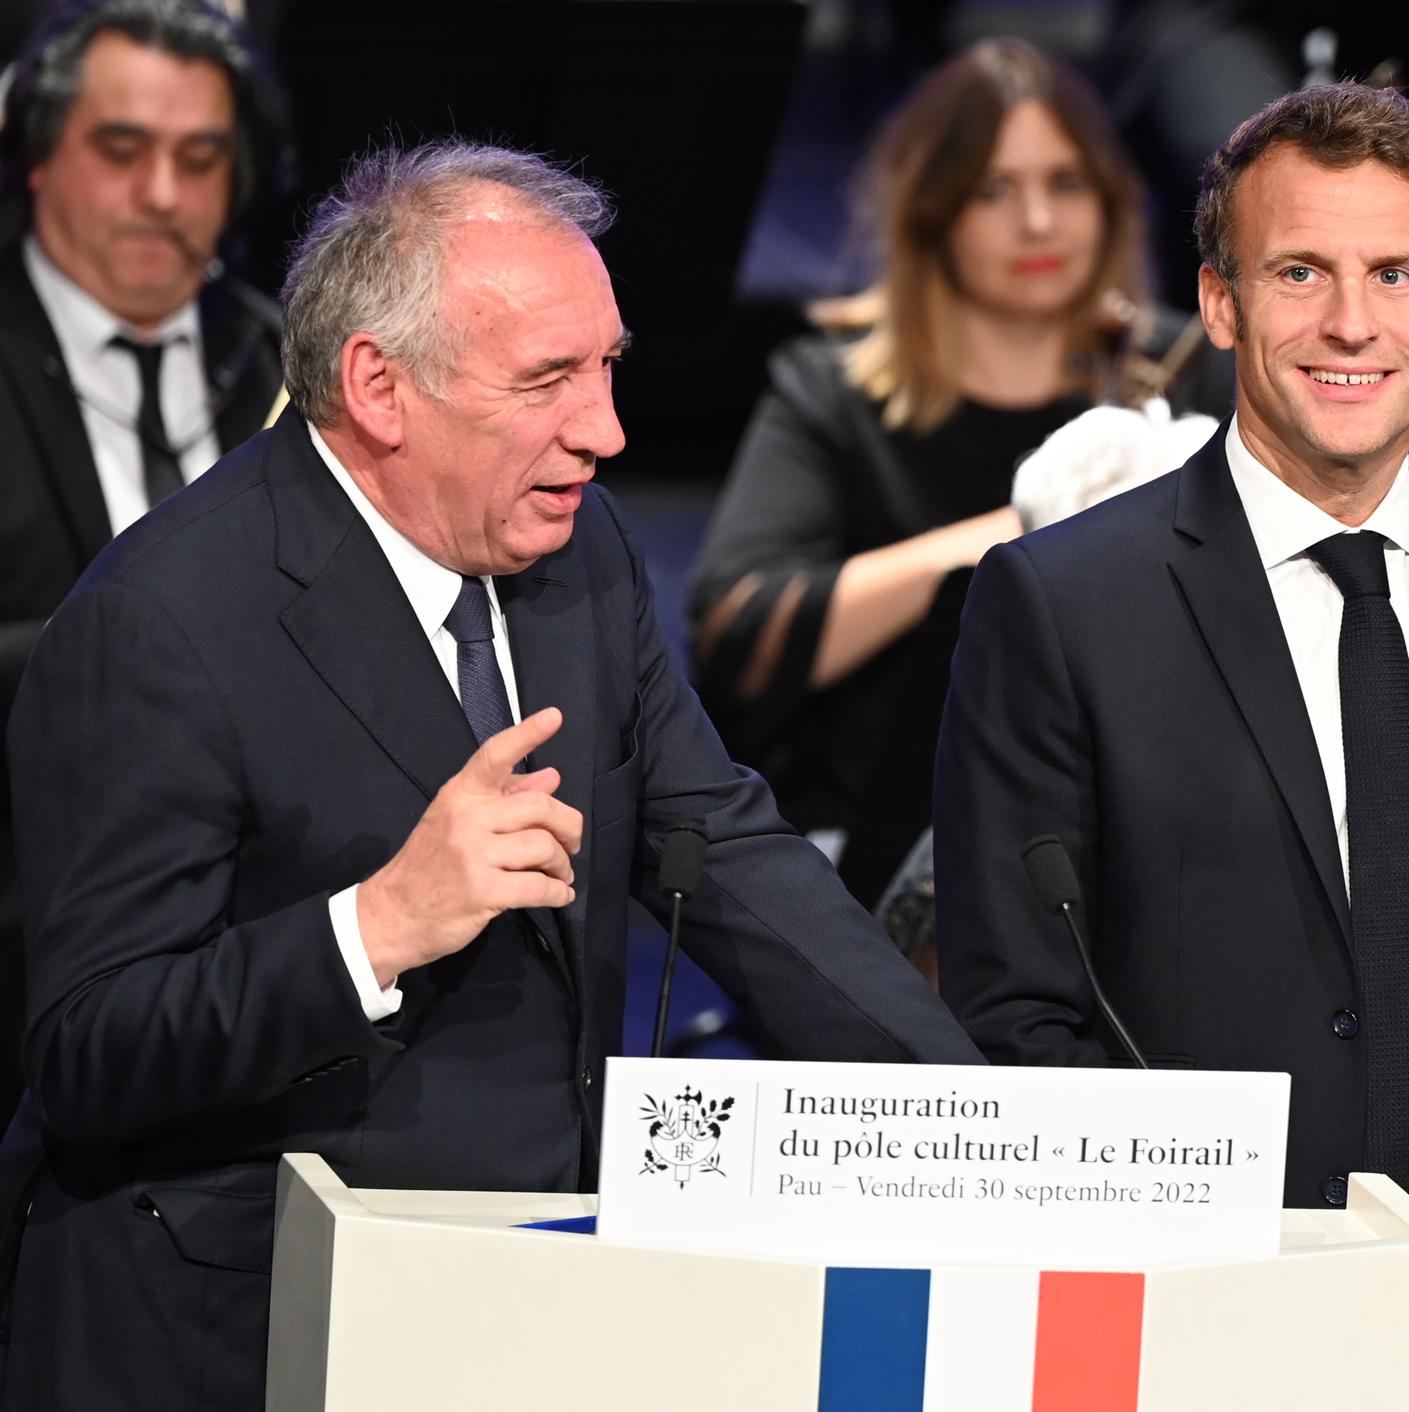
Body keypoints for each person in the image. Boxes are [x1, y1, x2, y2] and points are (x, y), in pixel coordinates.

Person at [0, 140, 980, 1410]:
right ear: (379, 386)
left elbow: (725, 849)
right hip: (242, 1326)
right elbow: (91, 1047)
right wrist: (377, 926)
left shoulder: (582, 550)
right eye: (550, 377)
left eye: (609, 365)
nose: (608, 430)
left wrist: (974, 1125)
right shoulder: (160, 621)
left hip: (515, 1307)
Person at [934, 81, 1409, 1410]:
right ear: (1220, 302)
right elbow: (1016, 1015)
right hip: (1184, 1348)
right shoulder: (1059, 602)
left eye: (1398, 273)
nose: (1351, 322)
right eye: (1300, 271)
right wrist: (1229, 1297)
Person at [687, 37, 1181, 906]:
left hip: (1144, 842)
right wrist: (1024, 528)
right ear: (933, 211)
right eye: (995, 191)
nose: (1039, 223)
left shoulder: (1189, 366)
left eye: (1066, 184)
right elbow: (739, 634)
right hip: (884, 847)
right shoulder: (832, 389)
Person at [0, 0, 286, 1126]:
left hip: (269, 943)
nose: (164, 194)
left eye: (201, 159)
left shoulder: (289, 362)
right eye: (121, 152)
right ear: (36, 160)